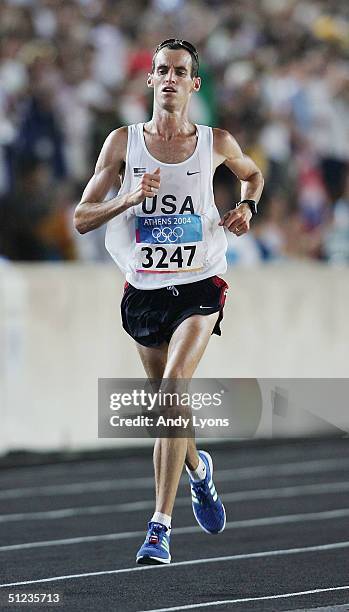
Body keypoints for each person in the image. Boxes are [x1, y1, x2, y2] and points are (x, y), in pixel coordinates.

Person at [74, 39, 264, 565]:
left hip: (200, 283)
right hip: (144, 290)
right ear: (151, 81)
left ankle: (159, 526)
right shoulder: (122, 143)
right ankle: (201, 472)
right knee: (167, 408)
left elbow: (253, 174)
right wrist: (131, 198)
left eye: (181, 71)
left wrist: (247, 208)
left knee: (175, 387)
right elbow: (81, 218)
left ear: (194, 83)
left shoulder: (215, 141)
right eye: (162, 70)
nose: (171, 79)